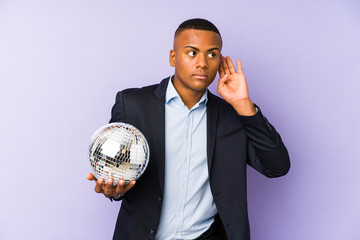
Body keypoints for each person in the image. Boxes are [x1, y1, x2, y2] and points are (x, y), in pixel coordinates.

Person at [86, 18, 290, 240]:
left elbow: (276, 167)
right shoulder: (132, 104)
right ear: (174, 58)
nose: (202, 63)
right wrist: (113, 190)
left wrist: (243, 104)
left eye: (212, 55)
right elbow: (114, 166)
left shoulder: (232, 115)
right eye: (192, 53)